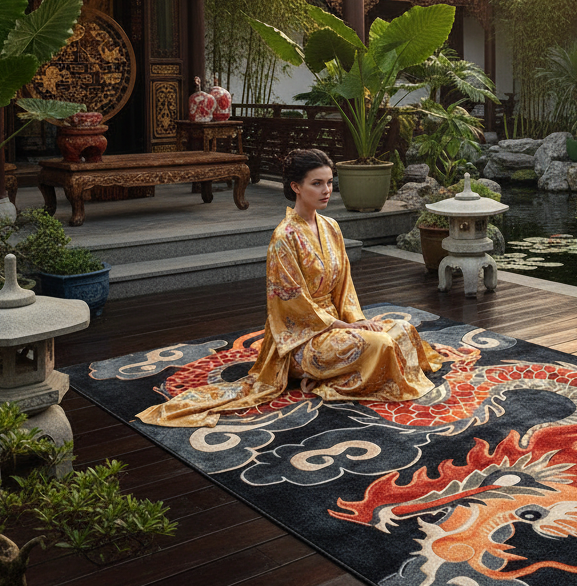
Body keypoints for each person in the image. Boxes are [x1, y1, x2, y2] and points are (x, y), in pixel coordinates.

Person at [137, 148, 443, 428]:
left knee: (403, 329)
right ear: (296, 187)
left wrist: (356, 322)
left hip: (336, 324)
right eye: (317, 184)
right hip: (302, 337)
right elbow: (291, 304)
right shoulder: (284, 237)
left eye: (329, 182)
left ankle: (336, 370)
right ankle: (313, 375)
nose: (326, 190)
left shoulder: (331, 227)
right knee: (382, 345)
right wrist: (342, 326)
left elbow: (345, 289)